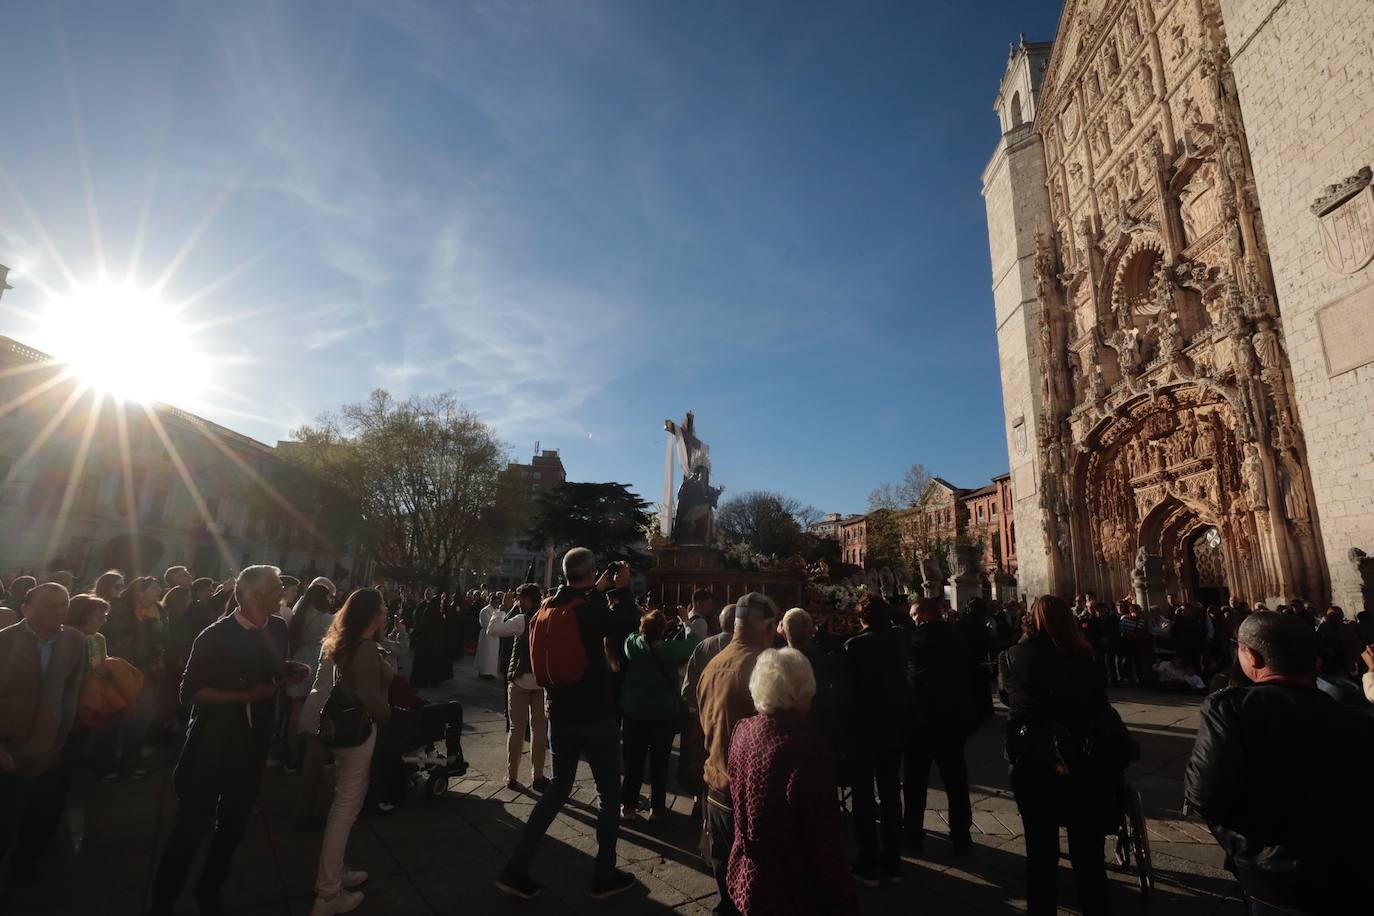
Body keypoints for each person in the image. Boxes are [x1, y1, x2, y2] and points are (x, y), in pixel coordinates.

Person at [1186, 611, 1374, 914]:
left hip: (1273, 879)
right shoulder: (1357, 719)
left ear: (1252, 657)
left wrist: (1247, 844)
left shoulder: (1231, 710)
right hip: (1352, 874)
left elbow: (1203, 795)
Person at [148, 566, 308, 916]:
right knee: (190, 831)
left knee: (233, 826)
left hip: (252, 744)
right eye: (276, 587)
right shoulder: (215, 635)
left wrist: (289, 669)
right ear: (252, 594)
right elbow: (190, 693)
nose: (282, 592)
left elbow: (270, 668)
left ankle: (210, 890)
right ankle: (162, 902)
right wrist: (247, 695)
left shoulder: (279, 626)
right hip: (211, 744)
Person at [495, 549, 637, 900]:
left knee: (559, 788)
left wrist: (598, 590)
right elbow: (627, 622)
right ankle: (604, 874)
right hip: (595, 713)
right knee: (608, 793)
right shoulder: (590, 610)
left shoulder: (547, 605)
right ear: (591, 573)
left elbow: (581, 607)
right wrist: (624, 589)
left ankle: (516, 867)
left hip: (558, 710)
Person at [998, 595, 1116, 916]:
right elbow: (1099, 704)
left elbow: (1008, 698)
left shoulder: (1011, 657)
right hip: (1082, 758)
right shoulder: (1085, 656)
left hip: (1033, 760)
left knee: (1040, 849)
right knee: (1088, 852)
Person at [724, 648, 859, 916]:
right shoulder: (807, 749)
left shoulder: (743, 729)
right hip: (791, 887)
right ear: (799, 692)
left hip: (745, 876)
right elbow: (824, 838)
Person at [308, 589, 390, 916]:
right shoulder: (366, 648)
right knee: (346, 808)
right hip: (359, 730)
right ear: (372, 616)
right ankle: (328, 893)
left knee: (343, 804)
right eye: (383, 609)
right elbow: (371, 697)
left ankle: (336, 872)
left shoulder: (347, 643)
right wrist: (387, 717)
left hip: (341, 731)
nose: (386, 614)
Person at [696, 592, 779, 915]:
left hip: (715, 780)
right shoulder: (762, 665)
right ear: (769, 627)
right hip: (750, 791)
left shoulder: (713, 662)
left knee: (723, 864)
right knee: (754, 875)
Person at [0, 584, 86, 890]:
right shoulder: (5, 641)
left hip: (48, 747)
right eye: (49, 604)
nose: (59, 610)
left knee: (39, 818)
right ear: (26, 608)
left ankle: (24, 873)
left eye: (63, 604)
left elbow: (71, 690)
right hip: (9, 749)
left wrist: (61, 737)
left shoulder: (74, 641)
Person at [840, 593, 909, 886]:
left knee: (865, 798)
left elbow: (845, 693)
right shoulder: (898, 640)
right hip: (893, 727)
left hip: (863, 731)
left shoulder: (853, 646)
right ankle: (893, 861)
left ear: (862, 619)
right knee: (892, 792)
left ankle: (868, 861)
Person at [904, 597, 973, 855]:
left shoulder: (915, 642)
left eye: (913, 615)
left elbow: (911, 679)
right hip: (952, 718)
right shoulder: (955, 637)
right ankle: (961, 836)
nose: (912, 619)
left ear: (923, 615)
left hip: (921, 721)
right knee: (956, 781)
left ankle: (913, 834)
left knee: (915, 782)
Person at [620, 609, 699, 821]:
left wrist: (644, 621)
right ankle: (657, 808)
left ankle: (628, 806)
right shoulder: (670, 651)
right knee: (660, 762)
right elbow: (693, 643)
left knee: (633, 762)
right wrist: (685, 621)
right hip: (662, 713)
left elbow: (632, 636)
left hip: (635, 712)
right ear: (663, 630)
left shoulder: (632, 647)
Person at [99, 575, 167, 781]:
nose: (159, 591)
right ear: (140, 591)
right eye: (154, 588)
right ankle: (105, 765)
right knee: (114, 717)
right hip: (121, 670)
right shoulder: (120, 609)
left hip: (147, 670)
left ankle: (131, 762)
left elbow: (164, 637)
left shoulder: (160, 610)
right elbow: (111, 635)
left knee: (141, 719)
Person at [484, 583, 549, 791]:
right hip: (541, 681)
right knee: (539, 730)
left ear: (527, 600)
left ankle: (512, 776)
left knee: (516, 728)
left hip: (520, 678)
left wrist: (501, 609)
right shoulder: (548, 617)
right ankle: (537, 776)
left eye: (520, 600)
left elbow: (492, 630)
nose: (518, 604)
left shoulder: (522, 619)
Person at [286, 580, 336, 770]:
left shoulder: (299, 614)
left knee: (295, 713)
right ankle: (311, 755)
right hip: (317, 660)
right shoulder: (325, 618)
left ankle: (292, 755)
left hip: (300, 656)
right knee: (315, 714)